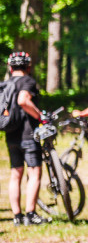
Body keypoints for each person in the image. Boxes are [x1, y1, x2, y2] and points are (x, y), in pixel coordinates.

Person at [4, 52, 48, 225]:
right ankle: (30, 214)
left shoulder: (6, 84)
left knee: (15, 174)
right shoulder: (27, 81)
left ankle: (17, 216)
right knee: (34, 171)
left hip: (10, 133)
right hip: (28, 133)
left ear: (10, 67)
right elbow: (23, 100)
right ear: (28, 67)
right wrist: (39, 116)